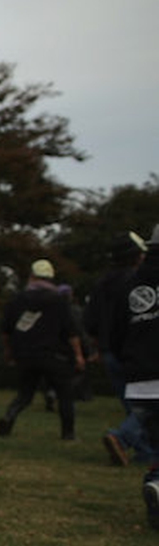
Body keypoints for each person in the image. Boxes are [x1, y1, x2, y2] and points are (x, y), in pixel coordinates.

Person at [103, 222, 159, 529]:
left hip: (139, 381)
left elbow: (115, 334)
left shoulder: (130, 285)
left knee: (154, 442)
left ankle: (156, 487)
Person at [0, 258, 84, 441]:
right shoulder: (58, 300)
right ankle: (68, 433)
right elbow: (71, 331)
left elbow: (5, 331)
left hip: (25, 354)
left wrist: (9, 352)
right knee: (64, 394)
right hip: (54, 355)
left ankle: (9, 416)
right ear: (50, 278)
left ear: (32, 276)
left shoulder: (18, 299)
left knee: (25, 394)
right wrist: (78, 355)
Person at [89, 232, 152, 467]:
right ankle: (122, 437)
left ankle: (145, 452)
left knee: (134, 405)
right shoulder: (140, 282)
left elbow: (91, 321)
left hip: (110, 352)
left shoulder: (102, 283)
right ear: (137, 255)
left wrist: (100, 345)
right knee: (149, 405)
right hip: (138, 352)